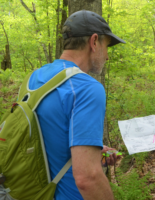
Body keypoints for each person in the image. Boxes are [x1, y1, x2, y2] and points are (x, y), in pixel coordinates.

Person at [28, 10, 125, 200]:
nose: (107, 56)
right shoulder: (87, 88)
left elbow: (45, 138)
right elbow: (87, 178)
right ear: (94, 41)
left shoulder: (35, 78)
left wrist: (91, 151)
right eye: (106, 46)